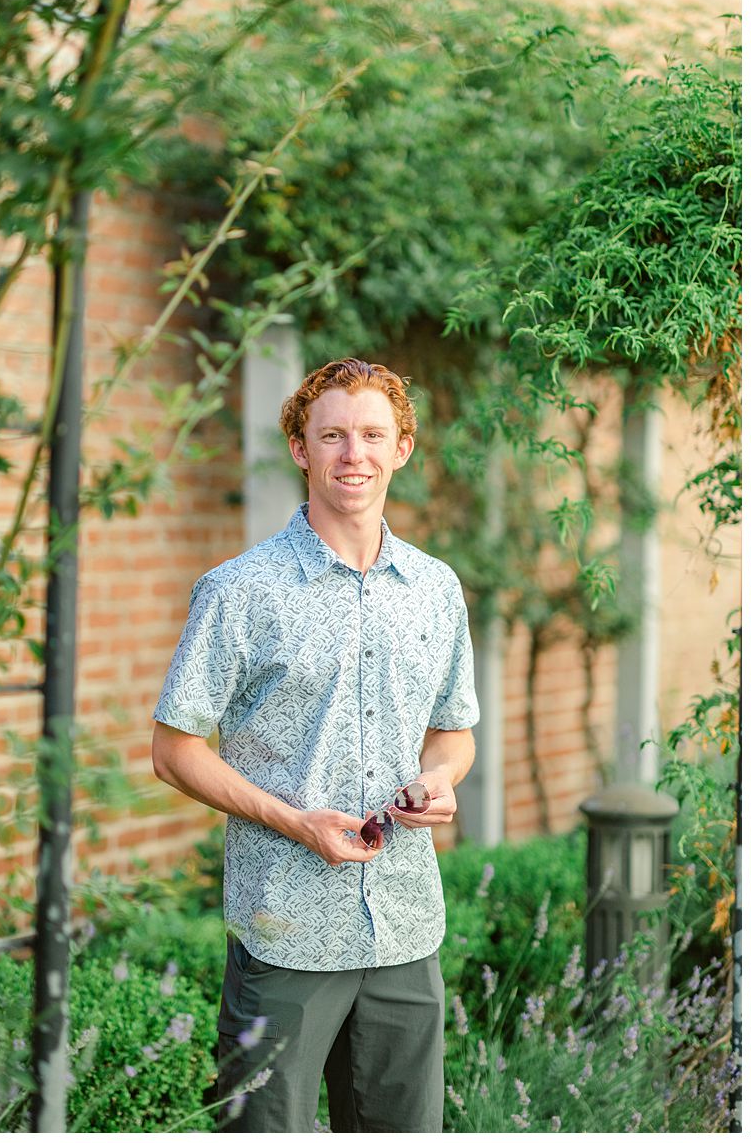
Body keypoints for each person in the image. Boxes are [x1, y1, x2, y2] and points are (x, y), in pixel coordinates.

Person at [151, 358, 478, 1131]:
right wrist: (298, 822)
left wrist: (440, 778)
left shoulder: (436, 588)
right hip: (286, 933)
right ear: (301, 448)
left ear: (403, 448)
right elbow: (174, 751)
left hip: (404, 925)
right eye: (332, 435)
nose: (352, 454)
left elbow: (455, 731)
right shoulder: (241, 590)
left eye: (372, 435)